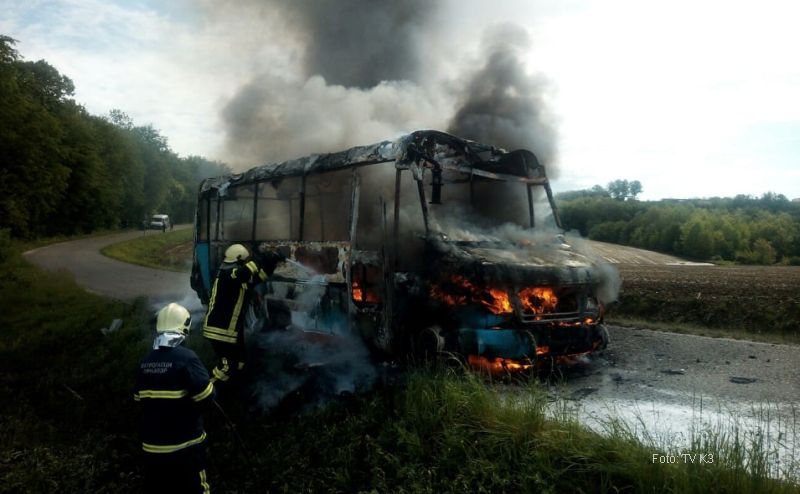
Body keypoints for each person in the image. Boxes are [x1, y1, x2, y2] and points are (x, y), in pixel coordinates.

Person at [134, 302, 215, 494]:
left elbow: (139, 400)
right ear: (185, 326)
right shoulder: (187, 358)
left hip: (152, 449)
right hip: (185, 446)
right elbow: (207, 397)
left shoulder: (145, 362)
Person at [203, 243, 284, 384]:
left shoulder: (238, 279)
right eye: (245, 261)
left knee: (240, 361)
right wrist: (264, 257)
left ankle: (233, 386)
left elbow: (259, 277)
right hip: (220, 330)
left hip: (231, 329)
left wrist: (272, 262)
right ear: (238, 259)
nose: (246, 264)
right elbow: (244, 272)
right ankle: (208, 392)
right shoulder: (228, 273)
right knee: (227, 367)